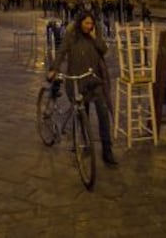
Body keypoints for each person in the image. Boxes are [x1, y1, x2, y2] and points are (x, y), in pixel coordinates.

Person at [47, 12, 117, 166]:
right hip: (77, 82)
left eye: (91, 23)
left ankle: (107, 150)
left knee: (103, 114)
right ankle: (83, 144)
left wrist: (94, 37)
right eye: (86, 23)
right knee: (81, 115)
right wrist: (54, 68)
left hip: (94, 81)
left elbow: (105, 50)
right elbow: (61, 52)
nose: (89, 26)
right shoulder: (71, 37)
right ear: (80, 23)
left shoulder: (94, 37)